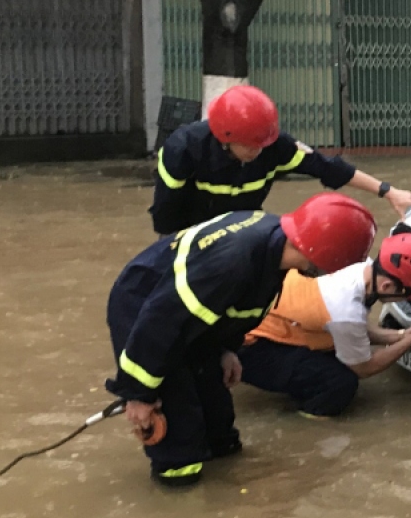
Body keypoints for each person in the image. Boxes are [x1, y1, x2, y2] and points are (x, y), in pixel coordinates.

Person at [105, 193, 375, 486]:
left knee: (219, 427)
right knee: (178, 438)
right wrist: (140, 395)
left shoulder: (274, 247)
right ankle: (180, 500)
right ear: (326, 255)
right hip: (145, 310)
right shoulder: (232, 261)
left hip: (185, 313)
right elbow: (159, 324)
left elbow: (236, 309)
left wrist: (226, 350)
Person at [151, 84, 411, 235]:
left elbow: (328, 167)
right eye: (249, 146)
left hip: (244, 227)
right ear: (225, 137)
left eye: (261, 145)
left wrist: (388, 191)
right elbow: (166, 215)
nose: (257, 152)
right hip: (192, 234)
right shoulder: (184, 150)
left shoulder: (274, 146)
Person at [239, 232, 411, 418]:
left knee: (340, 353)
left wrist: (401, 335)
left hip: (263, 320)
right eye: (404, 295)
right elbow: (365, 368)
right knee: (339, 383)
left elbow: (353, 330)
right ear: (386, 285)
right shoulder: (345, 309)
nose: (402, 301)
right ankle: (308, 418)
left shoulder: (358, 264)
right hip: (248, 347)